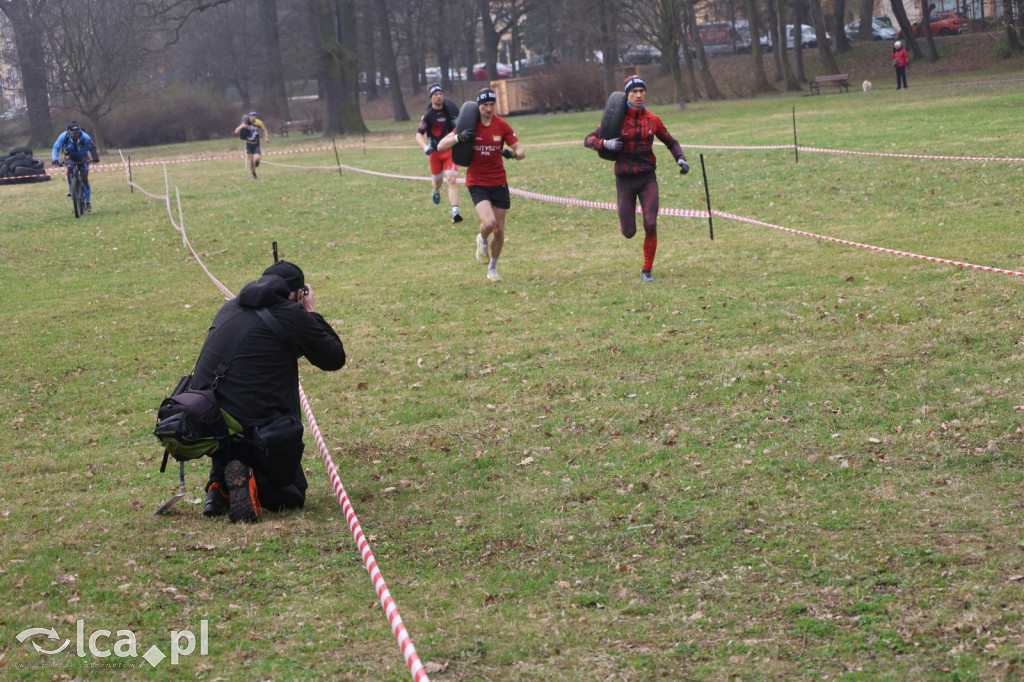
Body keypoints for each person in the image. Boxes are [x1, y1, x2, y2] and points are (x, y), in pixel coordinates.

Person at [192, 260, 346, 523]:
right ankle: (253, 484)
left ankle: (219, 486)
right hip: (255, 429)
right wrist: (309, 312)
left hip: (206, 420)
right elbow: (334, 357)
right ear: (299, 293)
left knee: (236, 409)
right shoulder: (292, 314)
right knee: (292, 495)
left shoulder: (229, 307)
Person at [584, 75, 689, 283]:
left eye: (642, 91)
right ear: (627, 95)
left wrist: (681, 159)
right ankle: (624, 224)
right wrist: (605, 144)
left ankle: (647, 270)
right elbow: (588, 140)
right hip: (624, 179)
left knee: (651, 223)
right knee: (629, 232)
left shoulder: (653, 119)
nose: (639, 95)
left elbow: (670, 141)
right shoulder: (616, 118)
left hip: (647, 178)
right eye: (634, 92)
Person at [437, 88, 524, 283]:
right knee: (489, 223)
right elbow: (441, 145)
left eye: (492, 105)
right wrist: (459, 137)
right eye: (485, 105)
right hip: (477, 182)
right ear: (479, 106)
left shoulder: (501, 125)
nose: (488, 108)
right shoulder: (469, 123)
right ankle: (482, 239)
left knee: (500, 230)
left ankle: (493, 268)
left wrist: (514, 154)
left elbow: (521, 150)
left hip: (499, 181)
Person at [415, 84, 463, 224]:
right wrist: (424, 147)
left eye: (440, 93)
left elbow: (457, 127)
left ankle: (455, 211)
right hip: (435, 153)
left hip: (449, 151)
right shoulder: (428, 115)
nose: (439, 96)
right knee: (437, 182)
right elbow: (419, 134)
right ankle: (436, 190)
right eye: (435, 94)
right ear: (431, 98)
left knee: (452, 179)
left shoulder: (449, 111)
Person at [51, 121, 100, 212]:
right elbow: (56, 147)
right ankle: (72, 187)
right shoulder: (64, 136)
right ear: (69, 131)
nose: (76, 134)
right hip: (70, 156)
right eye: (74, 133)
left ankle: (88, 203)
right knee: (70, 169)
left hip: (83, 157)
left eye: (77, 132)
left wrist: (95, 157)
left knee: (85, 179)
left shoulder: (85, 136)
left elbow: (92, 148)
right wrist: (55, 159)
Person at [234, 111, 269, 179]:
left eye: (255, 116)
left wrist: (266, 137)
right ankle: (254, 175)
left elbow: (264, 130)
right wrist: (241, 126)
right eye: (252, 116)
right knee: (250, 161)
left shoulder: (259, 122)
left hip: (256, 144)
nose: (253, 117)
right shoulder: (245, 123)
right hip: (249, 145)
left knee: (257, 158)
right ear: (249, 116)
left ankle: (257, 162)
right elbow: (236, 131)